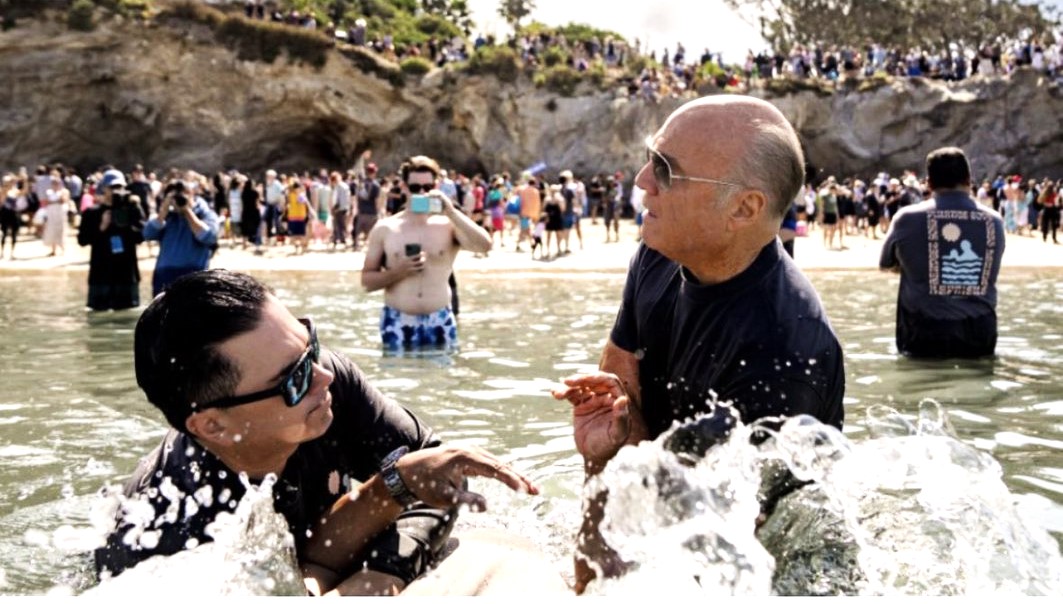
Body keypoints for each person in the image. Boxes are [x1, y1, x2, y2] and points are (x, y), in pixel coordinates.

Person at [94, 270, 558, 596]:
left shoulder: (322, 381)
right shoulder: (164, 531)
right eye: (293, 377)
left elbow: (432, 466)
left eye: (310, 344)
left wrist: (382, 572)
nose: (323, 376)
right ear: (212, 425)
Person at [551, 95, 845, 593]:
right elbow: (620, 397)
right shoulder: (660, 252)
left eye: (665, 169)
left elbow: (717, 574)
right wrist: (603, 457)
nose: (642, 180)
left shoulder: (784, 359)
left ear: (743, 208)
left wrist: (626, 452)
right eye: (650, 158)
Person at [879, 146, 1006, 358]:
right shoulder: (994, 221)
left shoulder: (906, 218)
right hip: (980, 332)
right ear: (968, 179)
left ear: (928, 183)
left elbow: (886, 264)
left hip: (924, 332)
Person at [361, 156, 491, 352]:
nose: (422, 193)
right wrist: (398, 272)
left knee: (443, 379)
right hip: (397, 319)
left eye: (428, 187)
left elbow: (485, 246)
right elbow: (366, 282)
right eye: (415, 188)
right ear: (404, 188)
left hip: (440, 319)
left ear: (436, 186)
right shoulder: (385, 228)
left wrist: (451, 211)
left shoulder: (448, 225)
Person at [76, 169, 145, 311]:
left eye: (119, 187)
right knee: (98, 311)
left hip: (126, 272)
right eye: (112, 187)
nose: (116, 191)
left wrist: (126, 222)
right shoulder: (92, 213)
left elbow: (141, 236)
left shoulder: (132, 209)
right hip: (101, 273)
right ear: (103, 189)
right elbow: (82, 240)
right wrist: (102, 226)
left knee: (128, 311)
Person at [144, 175, 221, 296]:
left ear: (192, 195)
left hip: (195, 274)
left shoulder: (205, 214)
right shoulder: (166, 216)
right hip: (164, 274)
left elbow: (210, 237)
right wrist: (163, 211)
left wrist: (187, 212)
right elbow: (147, 234)